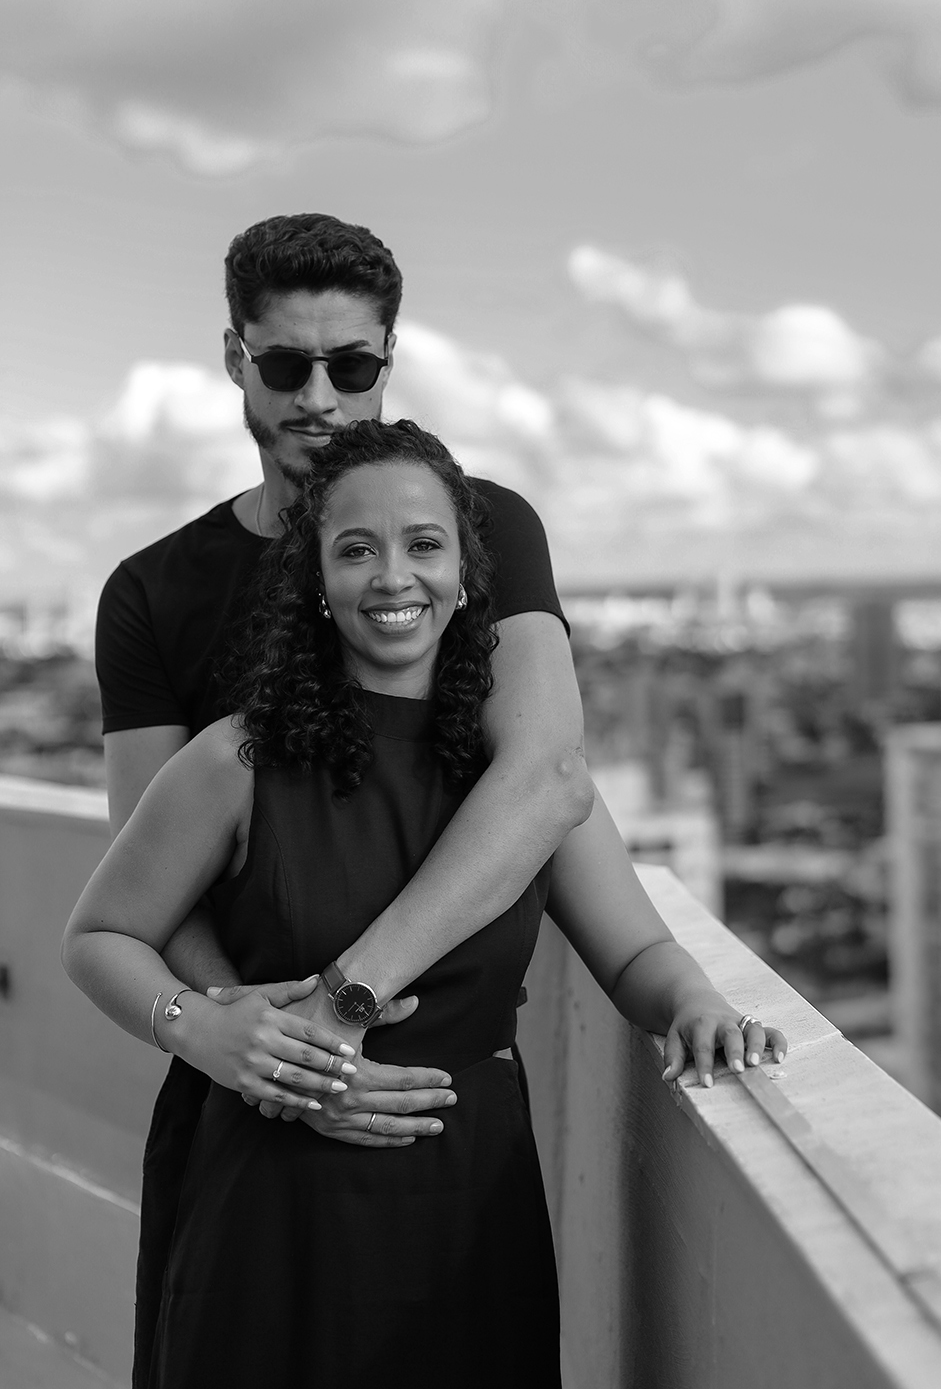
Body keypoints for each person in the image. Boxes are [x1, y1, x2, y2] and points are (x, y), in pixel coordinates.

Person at [65, 420, 786, 1386]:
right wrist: (198, 1029)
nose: (394, 577)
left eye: (424, 544)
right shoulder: (237, 758)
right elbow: (100, 936)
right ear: (316, 580)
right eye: (357, 550)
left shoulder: (517, 786)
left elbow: (635, 956)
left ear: (466, 575)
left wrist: (696, 1004)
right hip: (272, 1205)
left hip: (467, 1202)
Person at [94, 213, 594, 1384]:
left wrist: (346, 1007)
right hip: (249, 1105)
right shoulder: (152, 592)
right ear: (235, 358)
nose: (319, 397)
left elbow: (544, 778)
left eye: (353, 364)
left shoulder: (485, 527)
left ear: (388, 359)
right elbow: (149, 879)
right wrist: (278, 1059)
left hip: (430, 1115)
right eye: (285, 363)